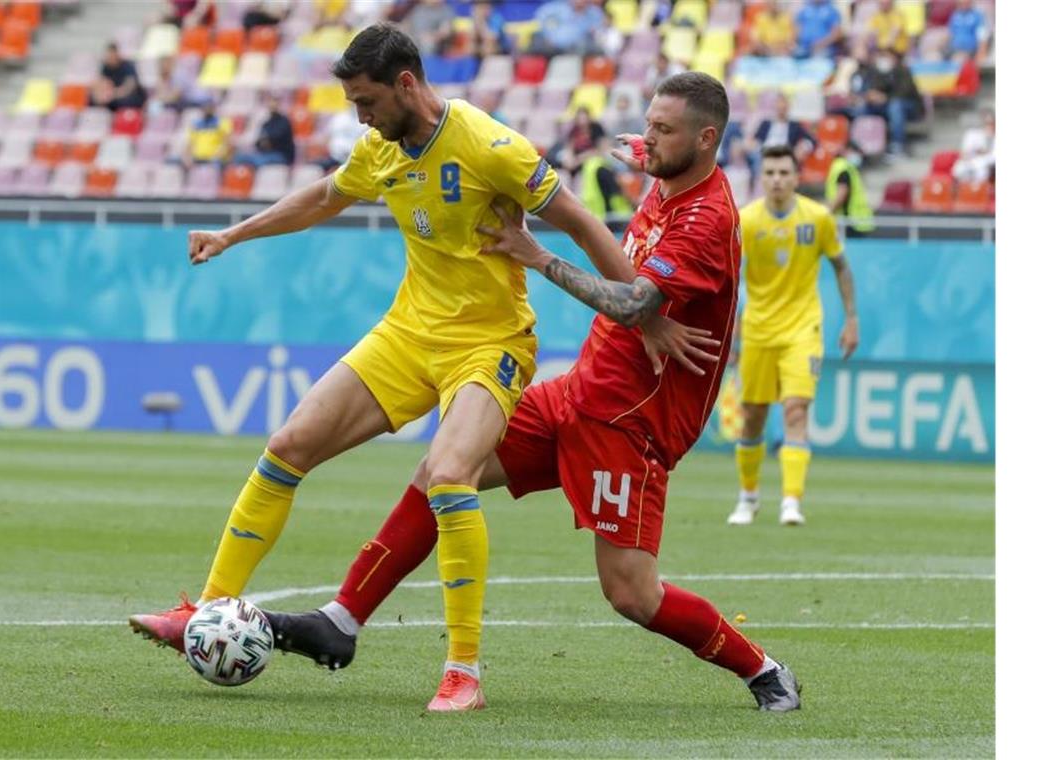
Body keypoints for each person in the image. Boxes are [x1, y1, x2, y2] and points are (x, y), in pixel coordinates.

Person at [128, 23, 710, 712]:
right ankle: (207, 612)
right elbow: (321, 197)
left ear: (407, 84)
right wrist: (234, 233)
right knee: (286, 448)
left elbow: (581, 222)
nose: (360, 118)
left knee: (450, 475)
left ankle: (464, 672)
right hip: (408, 335)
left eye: (367, 101)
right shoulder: (381, 149)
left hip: (488, 344)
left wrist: (643, 314)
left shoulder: (492, 147)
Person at [261, 71, 803, 715]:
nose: (649, 139)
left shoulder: (708, 220)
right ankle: (342, 619)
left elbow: (633, 303)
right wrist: (641, 146)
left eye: (664, 130)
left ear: (706, 140)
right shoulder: (671, 173)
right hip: (578, 393)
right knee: (442, 469)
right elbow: (644, 263)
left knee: (631, 593)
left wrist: (534, 253)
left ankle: (763, 669)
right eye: (648, 125)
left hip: (632, 423)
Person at [727, 144, 859, 527]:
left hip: (803, 328)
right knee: (752, 416)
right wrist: (732, 330)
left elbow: (842, 268)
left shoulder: (818, 218)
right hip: (758, 328)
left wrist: (851, 319)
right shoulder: (746, 221)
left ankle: (790, 501)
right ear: (761, 178)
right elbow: (729, 280)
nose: (777, 180)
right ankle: (748, 498)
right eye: (770, 173)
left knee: (796, 408)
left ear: (797, 178)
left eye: (784, 173)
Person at [745, 92, 815, 178]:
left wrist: (804, 146)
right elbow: (754, 140)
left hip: (784, 155)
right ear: (775, 106)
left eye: (783, 106)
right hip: (764, 154)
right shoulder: (766, 123)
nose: (781, 108)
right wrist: (752, 144)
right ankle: (758, 185)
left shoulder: (794, 125)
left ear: (788, 107)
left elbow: (812, 140)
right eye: (779, 105)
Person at [825, 141, 874, 237]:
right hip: (851, 223)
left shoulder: (844, 167)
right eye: (855, 152)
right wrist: (825, 214)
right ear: (846, 151)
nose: (857, 156)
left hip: (855, 223)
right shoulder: (844, 169)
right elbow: (840, 196)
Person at [232, 95, 295, 168]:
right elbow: (259, 141)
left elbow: (277, 138)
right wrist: (262, 143)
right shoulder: (266, 123)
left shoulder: (284, 121)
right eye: (270, 103)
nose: (272, 105)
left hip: (280, 155)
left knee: (259, 161)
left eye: (274, 103)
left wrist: (267, 141)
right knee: (239, 157)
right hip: (265, 154)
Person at [530, 0, 604, 56]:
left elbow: (597, 32)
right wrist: (548, 36)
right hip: (551, 46)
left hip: (580, 49)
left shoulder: (594, 13)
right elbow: (541, 21)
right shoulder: (555, 8)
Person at [90, 43, 146, 112]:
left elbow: (129, 86)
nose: (111, 57)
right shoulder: (105, 67)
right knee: (93, 100)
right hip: (112, 96)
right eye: (109, 55)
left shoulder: (128, 66)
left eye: (112, 54)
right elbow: (102, 83)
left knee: (124, 102)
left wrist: (113, 94)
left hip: (129, 95)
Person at [180, 98, 232, 168]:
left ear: (214, 109)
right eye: (205, 107)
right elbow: (190, 144)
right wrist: (187, 158)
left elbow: (227, 143)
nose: (207, 109)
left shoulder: (222, 123)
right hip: (198, 159)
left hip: (215, 159)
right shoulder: (196, 125)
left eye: (209, 107)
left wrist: (220, 155)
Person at [952, 108, 995, 184]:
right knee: (958, 169)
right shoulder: (972, 134)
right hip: (971, 160)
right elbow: (965, 151)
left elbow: (992, 156)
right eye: (987, 123)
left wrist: (984, 152)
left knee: (981, 172)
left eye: (991, 123)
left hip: (986, 163)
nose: (989, 125)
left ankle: (977, 192)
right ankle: (964, 191)